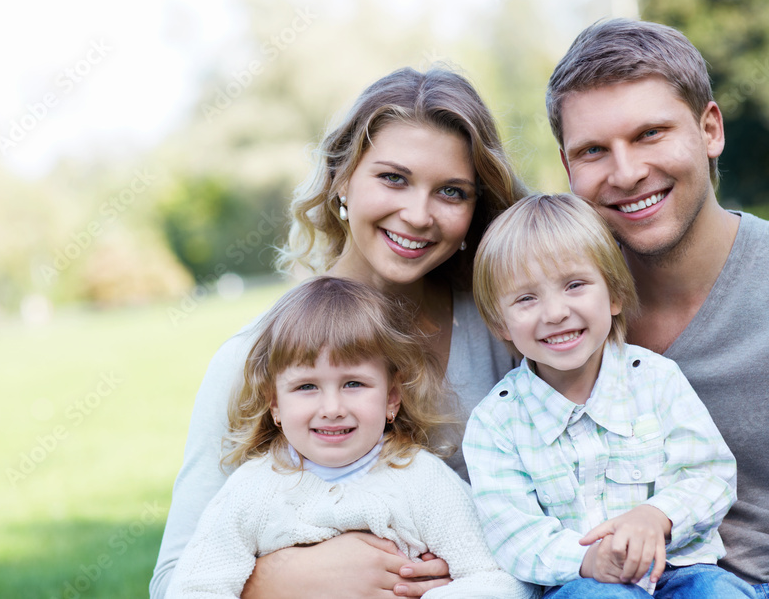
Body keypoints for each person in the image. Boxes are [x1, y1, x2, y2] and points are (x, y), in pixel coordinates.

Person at [150, 66, 528, 599]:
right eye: (393, 178)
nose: (418, 214)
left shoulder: (507, 333)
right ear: (342, 179)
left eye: (451, 191)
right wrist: (285, 579)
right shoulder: (255, 356)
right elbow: (174, 582)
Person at [546, 18, 769, 597]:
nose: (626, 172)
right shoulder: (547, 311)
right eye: (593, 150)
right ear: (568, 169)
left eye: (650, 134)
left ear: (710, 128)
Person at [165, 277, 538, 599]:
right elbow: (195, 587)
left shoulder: (423, 482)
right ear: (274, 404)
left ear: (392, 397)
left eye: (354, 384)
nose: (332, 407)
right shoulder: (250, 493)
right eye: (307, 386)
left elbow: (502, 578)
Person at [464, 193, 753, 598]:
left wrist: (657, 516)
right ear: (501, 323)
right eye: (526, 298)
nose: (555, 312)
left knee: (721, 593)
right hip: (583, 582)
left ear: (614, 295)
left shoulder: (656, 380)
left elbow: (709, 474)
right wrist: (586, 559)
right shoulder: (495, 422)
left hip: (679, 568)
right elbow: (512, 531)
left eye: (575, 285)